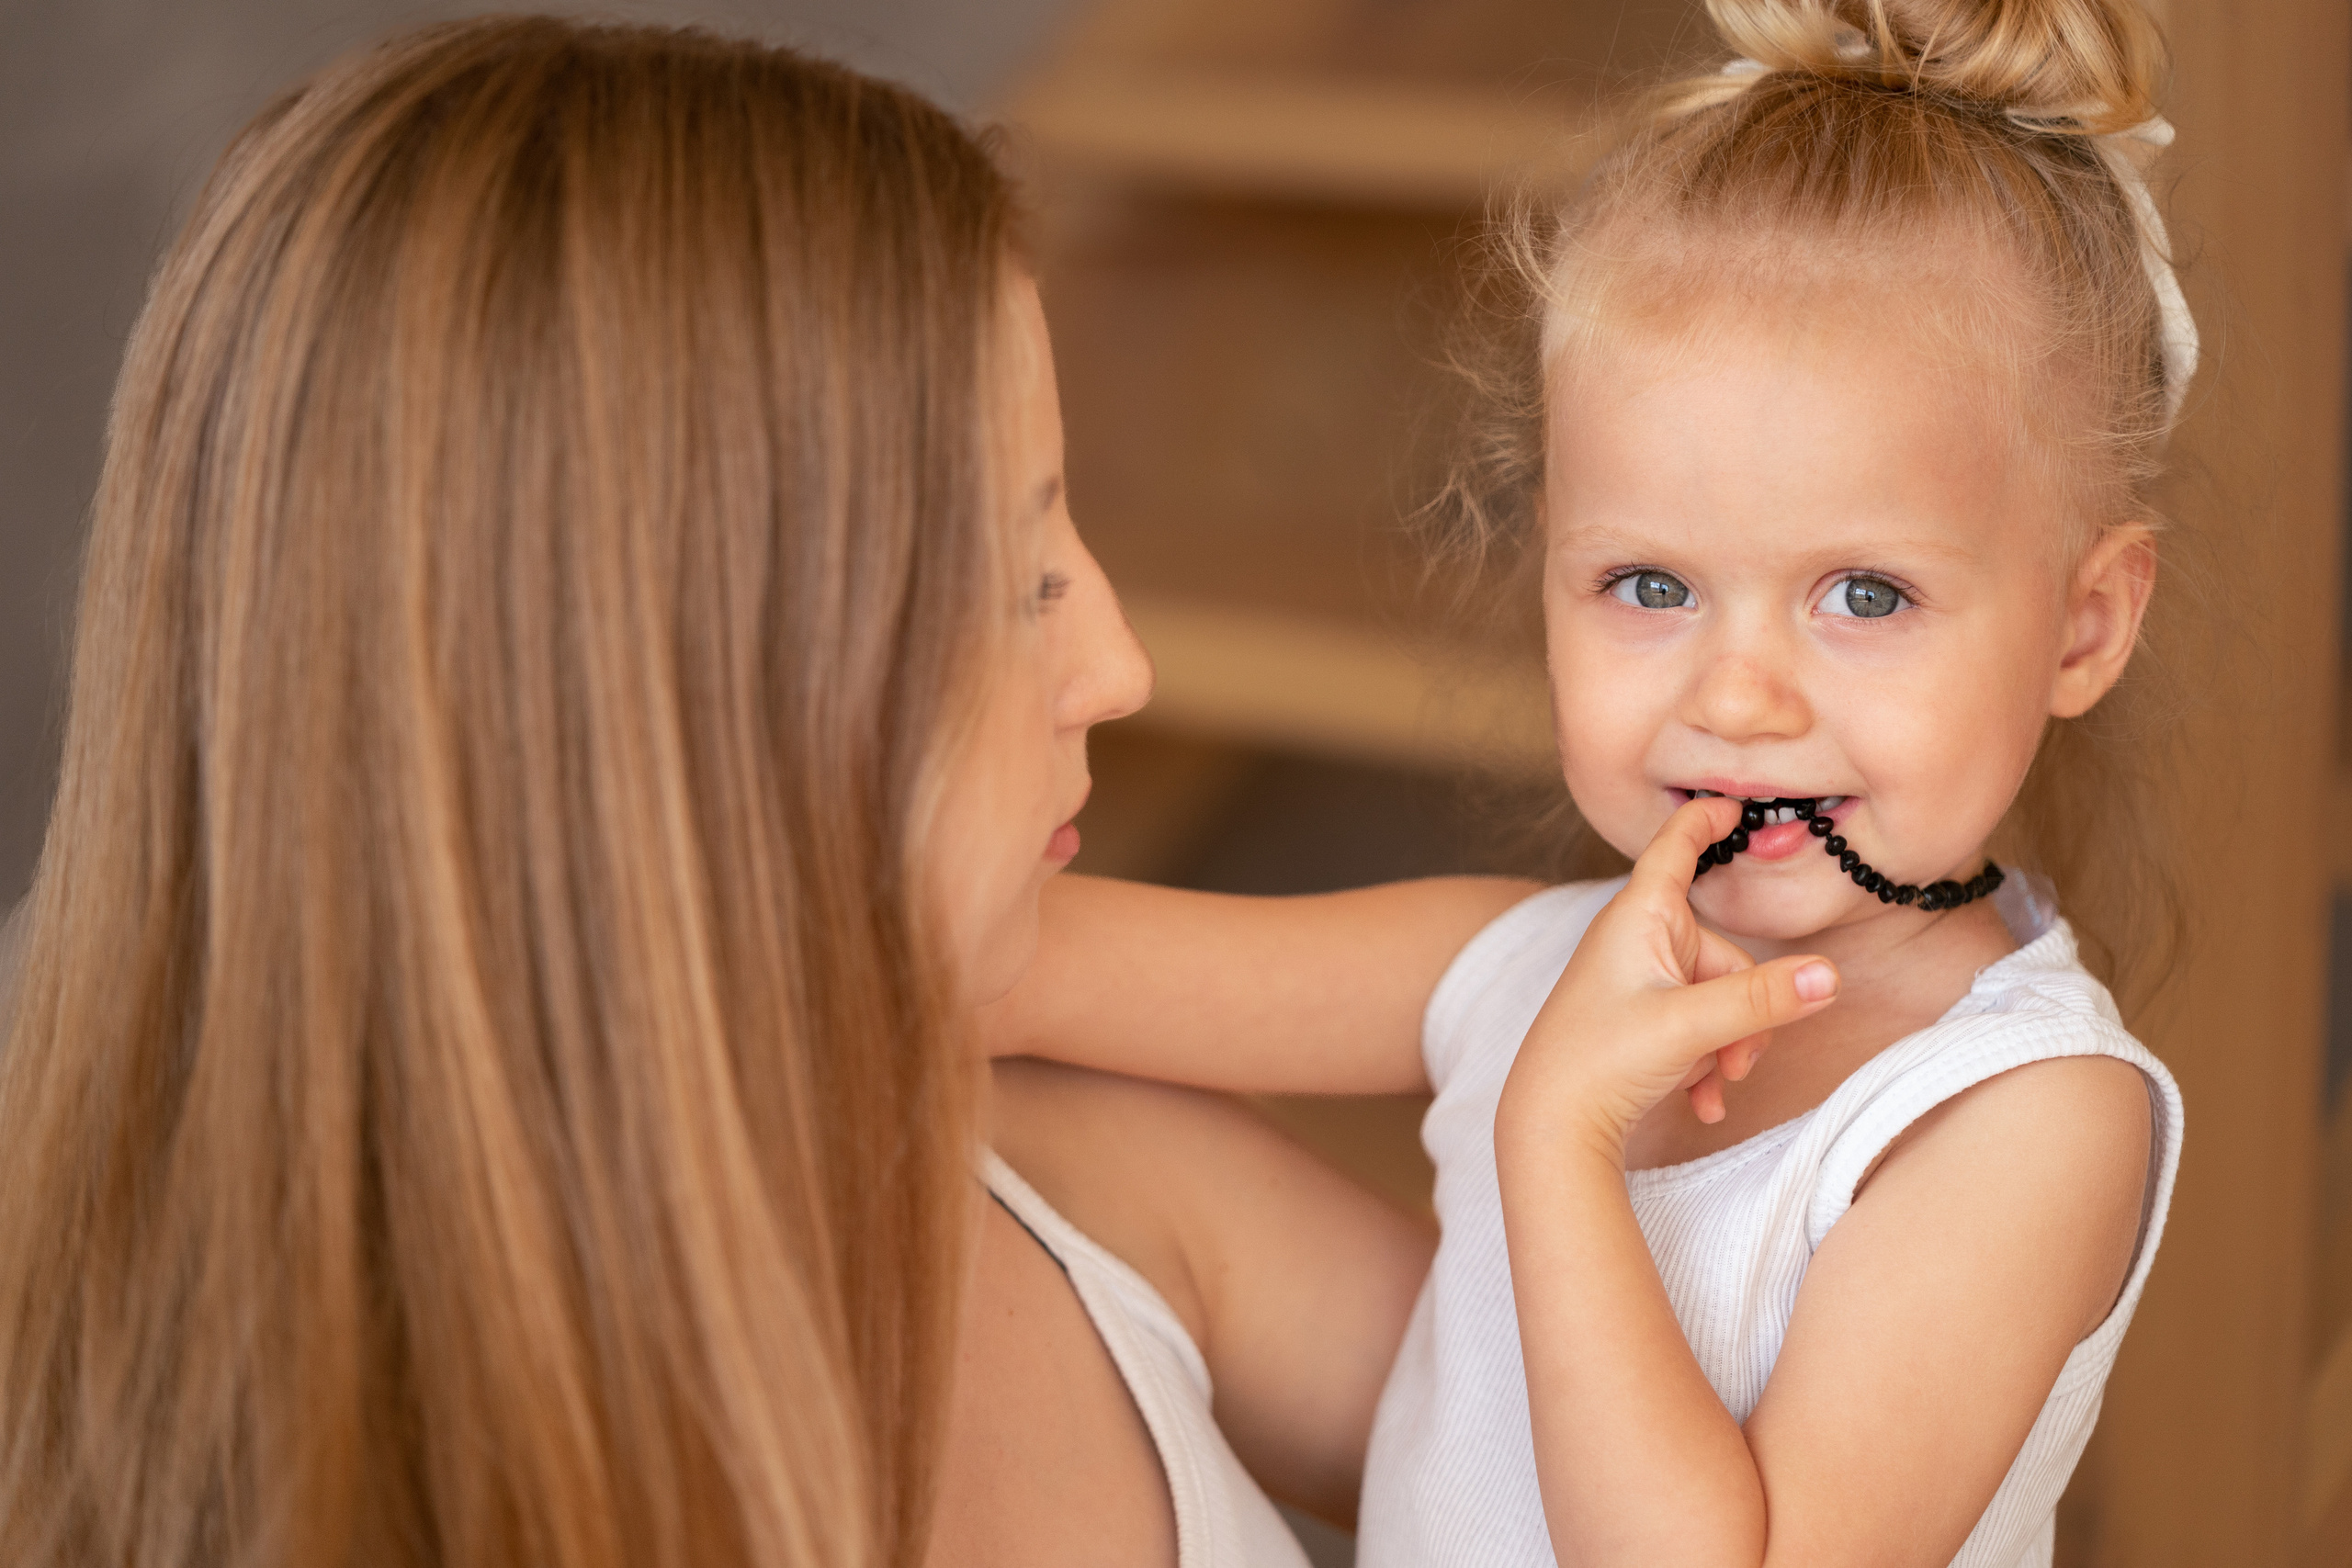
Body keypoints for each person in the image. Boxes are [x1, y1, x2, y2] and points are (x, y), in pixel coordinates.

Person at [0, 19, 1430, 1568]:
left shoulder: (1062, 1165)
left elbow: (1661, 1464)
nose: (1119, 668)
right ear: (660, 689)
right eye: (1016, 581)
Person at [989, 0, 2191, 1562]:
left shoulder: (2022, 1123)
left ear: (2084, 626)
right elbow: (998, 964)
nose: (1738, 696)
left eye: (1867, 596)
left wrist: (1556, 1149)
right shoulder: (1520, 966)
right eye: (1649, 587)